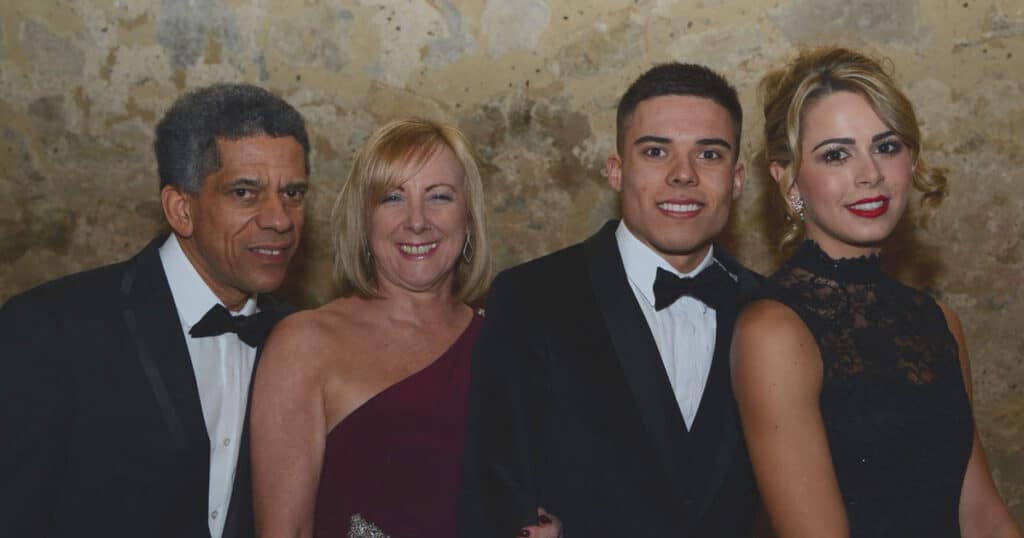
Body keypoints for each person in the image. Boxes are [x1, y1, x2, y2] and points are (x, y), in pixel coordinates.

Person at [458, 63, 763, 537]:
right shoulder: (530, 299)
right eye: (657, 151)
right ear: (617, 172)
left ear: (738, 179)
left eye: (708, 154)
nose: (683, 174)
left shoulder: (771, 309)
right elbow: (494, 495)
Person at [731, 46, 1023, 538]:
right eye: (836, 154)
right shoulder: (774, 331)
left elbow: (981, 516)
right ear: (789, 183)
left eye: (886, 146)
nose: (871, 174)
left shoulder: (937, 321)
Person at [0, 83, 310, 538]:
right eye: (245, 192)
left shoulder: (299, 341)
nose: (280, 219)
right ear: (181, 209)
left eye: (294, 194)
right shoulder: (49, 330)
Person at [250, 118, 561, 538]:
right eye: (393, 198)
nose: (417, 221)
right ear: (365, 221)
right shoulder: (304, 344)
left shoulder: (505, 343)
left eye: (439, 197)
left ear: (468, 219)